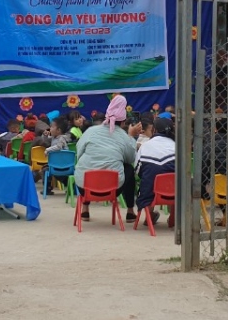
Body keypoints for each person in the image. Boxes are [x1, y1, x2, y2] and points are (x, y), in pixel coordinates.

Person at [74, 94, 138, 222]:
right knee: (129, 169)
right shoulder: (124, 136)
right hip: (113, 188)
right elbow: (131, 159)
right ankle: (130, 211)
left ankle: (85, 208)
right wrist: (131, 137)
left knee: (86, 166)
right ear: (124, 121)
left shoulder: (90, 131)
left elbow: (79, 152)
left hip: (84, 187)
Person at [135, 112, 177, 226]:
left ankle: (149, 216)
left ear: (154, 130)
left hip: (150, 192)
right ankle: (174, 217)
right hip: (176, 192)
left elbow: (138, 171)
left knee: (147, 181)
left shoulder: (145, 146)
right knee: (175, 180)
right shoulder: (178, 147)